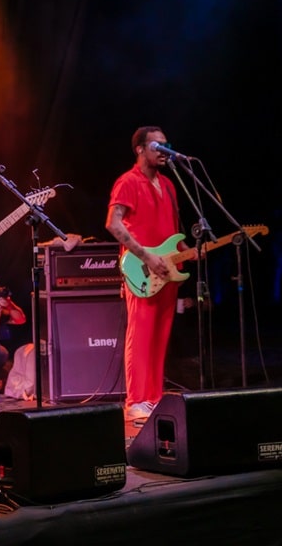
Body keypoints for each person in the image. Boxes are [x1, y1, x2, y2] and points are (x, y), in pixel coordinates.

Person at [106, 126, 191, 422]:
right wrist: (146, 256)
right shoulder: (127, 182)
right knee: (141, 336)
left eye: (167, 145)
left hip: (166, 271)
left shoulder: (168, 184)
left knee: (160, 337)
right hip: (141, 268)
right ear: (140, 149)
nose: (165, 151)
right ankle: (136, 400)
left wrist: (188, 250)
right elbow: (113, 224)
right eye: (158, 145)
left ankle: (153, 398)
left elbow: (172, 230)